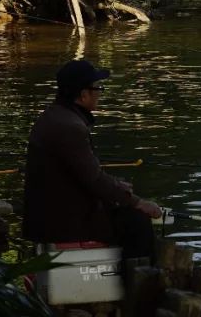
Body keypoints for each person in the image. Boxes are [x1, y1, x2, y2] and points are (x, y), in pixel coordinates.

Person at [24, 60, 162, 262]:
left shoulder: (53, 115)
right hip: (62, 222)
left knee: (123, 208)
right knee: (137, 221)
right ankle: (138, 284)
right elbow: (94, 180)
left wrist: (115, 186)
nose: (100, 92)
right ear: (83, 94)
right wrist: (137, 202)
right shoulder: (70, 127)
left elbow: (86, 174)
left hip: (51, 213)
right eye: (98, 88)